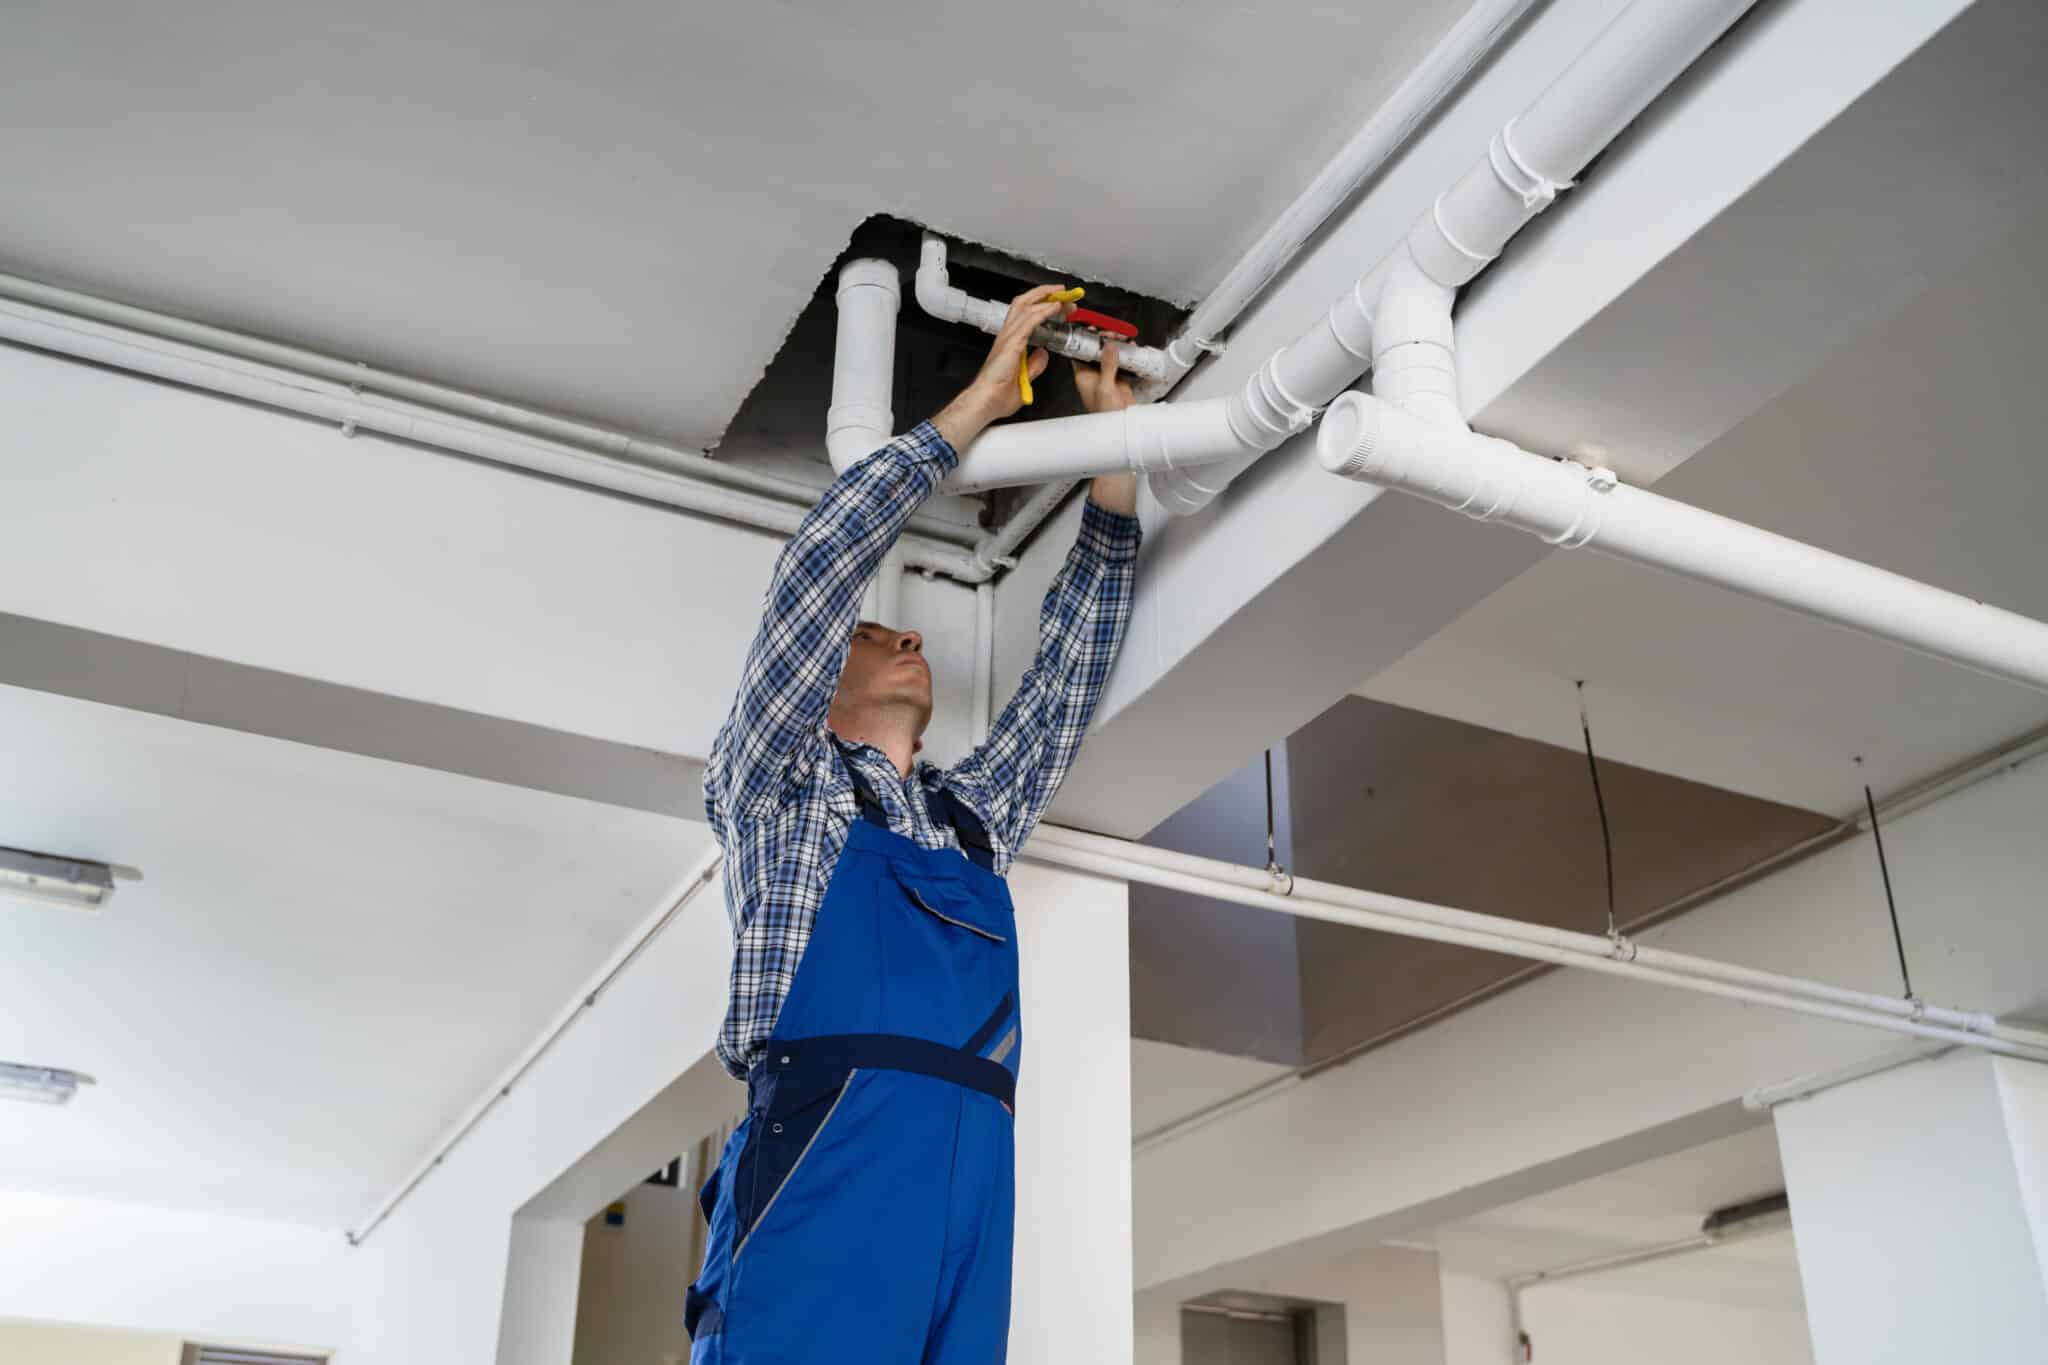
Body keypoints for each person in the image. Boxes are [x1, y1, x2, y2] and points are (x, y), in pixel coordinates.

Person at [686, 283, 1140, 1363]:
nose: (908, 641)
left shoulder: (970, 823)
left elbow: (1068, 680)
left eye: (906, 635)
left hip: (973, 1177)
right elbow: (818, 569)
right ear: (816, 686)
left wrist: (1117, 454)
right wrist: (979, 405)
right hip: (828, 1160)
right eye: (873, 634)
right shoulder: (778, 787)